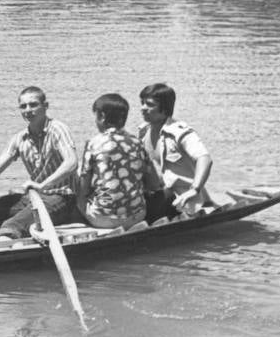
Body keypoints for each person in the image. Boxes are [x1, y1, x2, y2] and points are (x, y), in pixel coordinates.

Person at [0, 86, 79, 241]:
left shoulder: (58, 129)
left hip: (62, 198)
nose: (28, 110)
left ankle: (7, 242)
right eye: (23, 106)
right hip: (33, 197)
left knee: (12, 226)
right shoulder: (20, 138)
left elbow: (71, 162)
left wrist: (43, 185)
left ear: (45, 106)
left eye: (33, 105)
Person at [136, 82, 213, 219]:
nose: (143, 108)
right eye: (142, 103)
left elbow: (204, 158)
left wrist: (194, 189)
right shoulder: (143, 132)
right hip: (157, 194)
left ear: (165, 108)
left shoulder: (180, 133)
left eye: (149, 104)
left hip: (180, 199)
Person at [77, 93, 151, 230]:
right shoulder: (137, 143)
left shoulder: (94, 143)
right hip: (137, 216)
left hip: (103, 219)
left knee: (82, 195)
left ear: (102, 117)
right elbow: (152, 182)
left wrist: (81, 204)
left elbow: (83, 186)